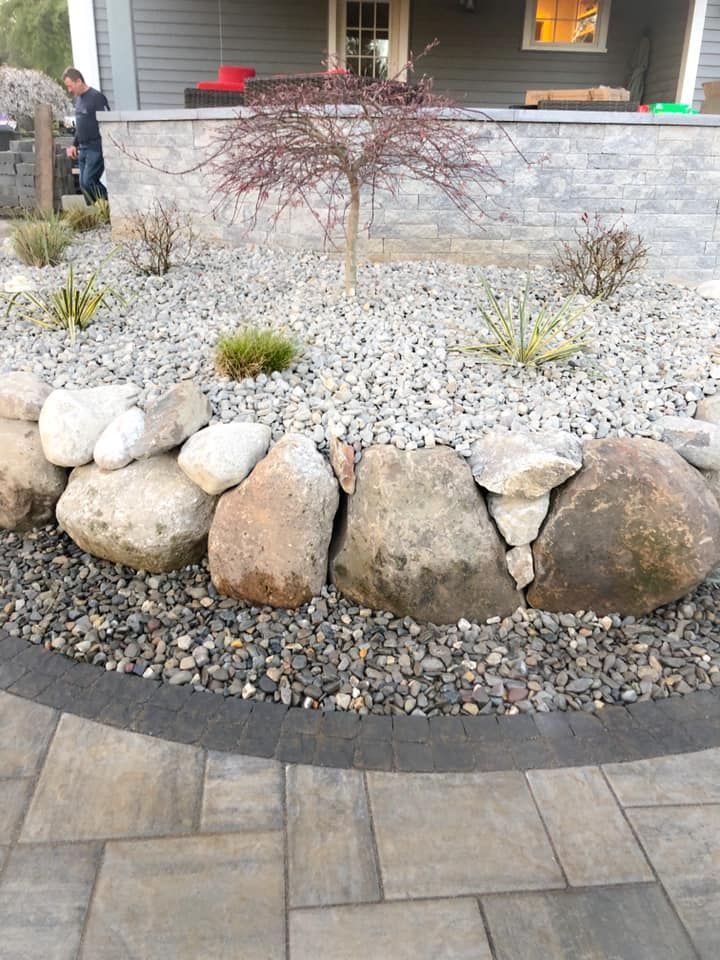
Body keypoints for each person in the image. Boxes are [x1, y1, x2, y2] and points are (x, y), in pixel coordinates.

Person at [62, 67, 110, 204]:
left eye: (70, 86)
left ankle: (111, 205)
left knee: (89, 181)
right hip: (82, 148)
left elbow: (107, 122)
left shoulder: (96, 97)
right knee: (83, 185)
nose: (69, 90)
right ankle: (98, 213)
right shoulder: (78, 101)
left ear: (79, 81)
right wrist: (73, 145)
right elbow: (80, 127)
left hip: (95, 147)